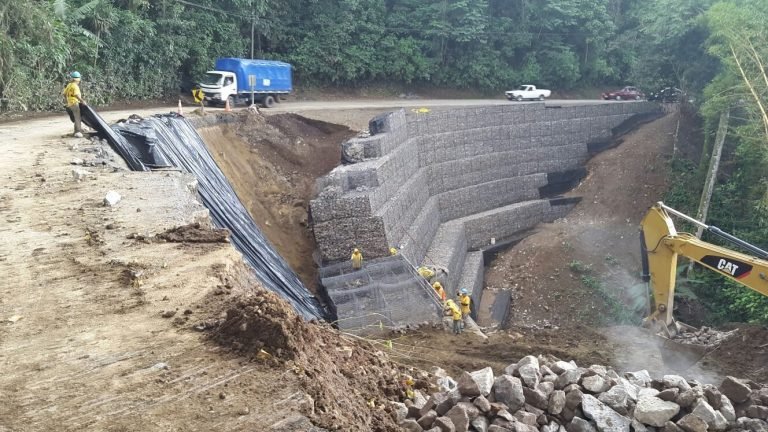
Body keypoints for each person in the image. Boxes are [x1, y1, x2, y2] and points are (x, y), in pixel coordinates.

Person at [62, 71, 86, 138]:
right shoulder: (75, 86)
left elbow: (64, 94)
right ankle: (78, 131)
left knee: (75, 117)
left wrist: (67, 101)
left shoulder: (69, 85)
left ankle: (75, 131)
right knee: (77, 117)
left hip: (70, 103)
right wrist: (82, 101)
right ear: (78, 79)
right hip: (74, 103)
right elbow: (76, 95)